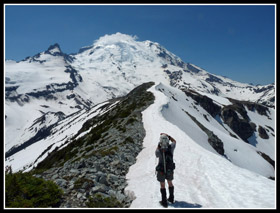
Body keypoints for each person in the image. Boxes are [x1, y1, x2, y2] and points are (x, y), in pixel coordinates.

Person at [155, 133, 176, 207]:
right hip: (169, 169)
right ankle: (171, 198)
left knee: (162, 185)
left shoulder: (159, 151)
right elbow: (174, 141)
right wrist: (169, 136)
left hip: (161, 170)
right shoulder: (171, 148)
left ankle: (164, 202)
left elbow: (156, 154)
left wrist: (158, 145)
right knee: (170, 182)